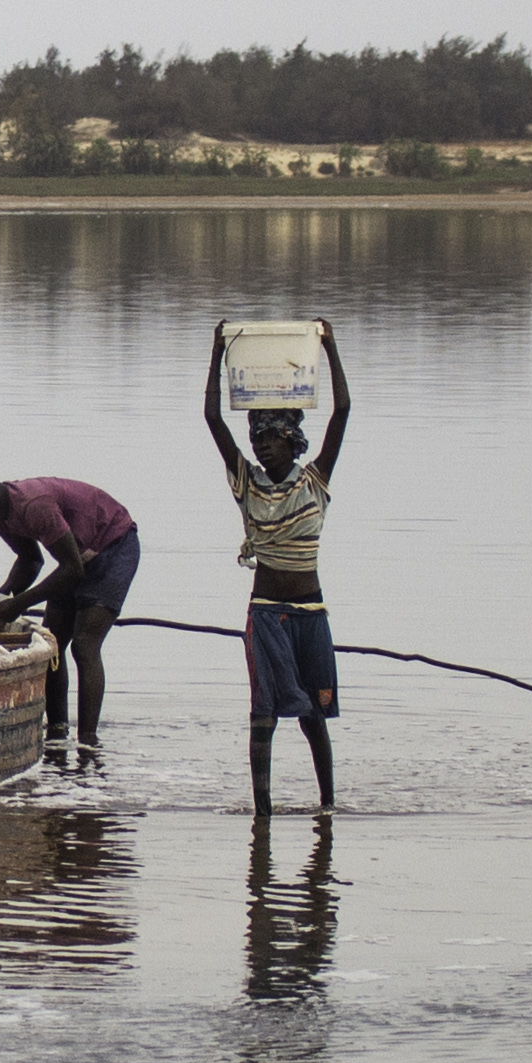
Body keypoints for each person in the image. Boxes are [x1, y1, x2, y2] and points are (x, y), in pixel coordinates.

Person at [201, 318, 351, 807]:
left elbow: (343, 411)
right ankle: (261, 812)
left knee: (313, 718)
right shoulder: (248, 483)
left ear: (292, 441)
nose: (262, 446)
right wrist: (217, 351)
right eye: (258, 440)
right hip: (266, 612)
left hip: (310, 613)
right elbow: (213, 419)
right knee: (263, 717)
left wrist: (329, 346)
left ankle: (328, 805)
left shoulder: (314, 482)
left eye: (271, 439)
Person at [0, 453, 139, 753]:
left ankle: (88, 743)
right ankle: (57, 734)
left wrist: (18, 604)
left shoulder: (33, 505)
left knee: (84, 645)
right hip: (76, 555)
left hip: (113, 545)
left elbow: (72, 570)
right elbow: (31, 561)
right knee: (51, 645)